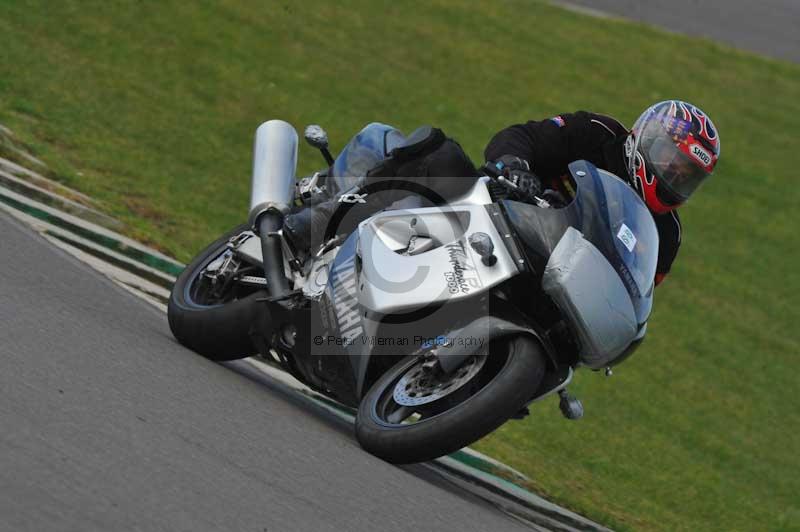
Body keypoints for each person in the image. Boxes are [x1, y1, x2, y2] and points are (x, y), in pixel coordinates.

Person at [483, 100, 721, 285]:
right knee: (449, 159)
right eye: (671, 160)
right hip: (504, 222)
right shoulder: (595, 134)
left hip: (556, 281)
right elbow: (523, 137)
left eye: (688, 174)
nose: (676, 175)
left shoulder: (667, 235)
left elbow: (635, 299)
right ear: (649, 138)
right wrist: (515, 168)